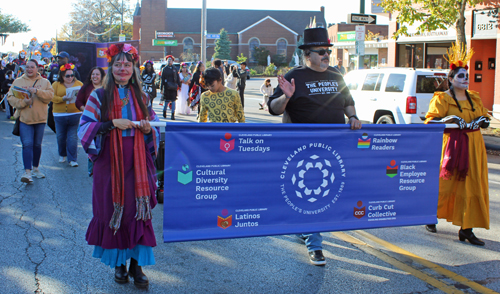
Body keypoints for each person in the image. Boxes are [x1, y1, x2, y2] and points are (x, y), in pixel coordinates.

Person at [268, 27, 362, 266]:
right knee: (313, 192)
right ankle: (315, 244)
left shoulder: (336, 75)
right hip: (303, 148)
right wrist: (287, 96)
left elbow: (347, 102)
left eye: (327, 51)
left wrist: (352, 118)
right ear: (307, 55)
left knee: (327, 192)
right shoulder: (294, 76)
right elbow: (274, 108)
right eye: (321, 51)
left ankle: (305, 229)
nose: (326, 55)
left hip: (333, 146)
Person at [78, 43, 159, 288]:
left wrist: (146, 130)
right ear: (110, 68)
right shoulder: (98, 95)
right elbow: (84, 128)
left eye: (127, 64)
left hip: (137, 161)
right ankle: (119, 265)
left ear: (133, 67)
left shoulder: (143, 96)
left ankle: (137, 265)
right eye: (117, 64)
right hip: (109, 162)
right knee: (114, 211)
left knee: (137, 211)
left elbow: (153, 128)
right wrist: (111, 123)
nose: (122, 68)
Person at [424, 44, 490, 246]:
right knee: (445, 183)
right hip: (452, 147)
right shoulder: (442, 98)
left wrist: (480, 121)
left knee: (472, 185)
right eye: (461, 76)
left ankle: (466, 229)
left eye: (466, 76)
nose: (465, 80)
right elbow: (430, 121)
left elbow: (485, 119)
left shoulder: (475, 97)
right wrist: (450, 119)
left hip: (474, 146)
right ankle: (430, 216)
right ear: (451, 79)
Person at [6, 59, 54, 183]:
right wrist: (23, 102)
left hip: (40, 119)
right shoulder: (18, 81)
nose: (29, 69)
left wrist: (37, 91)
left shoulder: (45, 82)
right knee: (27, 144)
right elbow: (10, 98)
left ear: (37, 68)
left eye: (32, 67)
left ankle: (35, 169)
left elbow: (50, 96)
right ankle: (27, 173)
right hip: (25, 120)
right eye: (27, 67)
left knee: (37, 145)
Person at [52, 63, 83, 167]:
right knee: (60, 136)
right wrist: (62, 99)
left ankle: (73, 159)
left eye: (72, 75)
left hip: (75, 113)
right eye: (67, 76)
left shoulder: (79, 83)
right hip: (59, 114)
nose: (70, 78)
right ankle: (62, 154)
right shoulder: (56, 84)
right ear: (62, 76)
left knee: (72, 137)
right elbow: (51, 97)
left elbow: (84, 97)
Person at [160, 55, 179, 120]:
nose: (169, 61)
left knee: (173, 100)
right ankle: (164, 111)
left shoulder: (175, 69)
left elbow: (177, 78)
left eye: (170, 60)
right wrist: (161, 88)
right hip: (166, 87)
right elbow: (162, 79)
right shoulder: (164, 69)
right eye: (168, 60)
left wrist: (179, 85)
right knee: (166, 100)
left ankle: (172, 114)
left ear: (173, 61)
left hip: (173, 87)